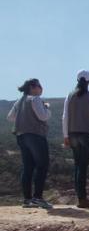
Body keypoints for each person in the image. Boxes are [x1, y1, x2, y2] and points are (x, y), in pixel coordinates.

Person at [7, 78, 53, 209]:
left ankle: (27, 199)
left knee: (28, 166)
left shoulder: (19, 101)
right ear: (33, 87)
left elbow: (10, 117)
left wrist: (23, 117)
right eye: (39, 86)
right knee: (42, 165)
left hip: (21, 136)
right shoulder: (34, 99)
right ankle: (38, 197)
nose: (41, 88)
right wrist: (46, 108)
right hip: (35, 135)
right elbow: (43, 116)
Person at [62, 70, 89, 208]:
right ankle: (83, 199)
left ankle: (80, 197)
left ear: (77, 80)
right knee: (83, 167)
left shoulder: (69, 95)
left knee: (78, 166)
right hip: (88, 135)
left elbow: (65, 117)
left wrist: (65, 136)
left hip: (73, 134)